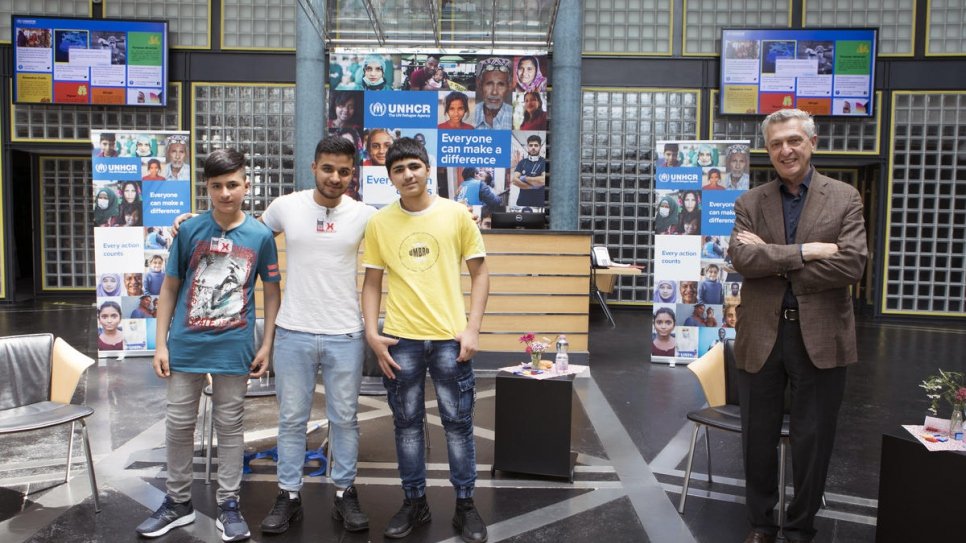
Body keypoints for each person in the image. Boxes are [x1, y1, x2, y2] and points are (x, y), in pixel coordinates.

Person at [729, 109, 867, 543]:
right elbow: (742, 260)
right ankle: (760, 523)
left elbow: (852, 264)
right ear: (767, 151)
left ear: (812, 142)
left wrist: (774, 261)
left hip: (822, 336)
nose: (785, 150)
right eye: (775, 144)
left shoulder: (845, 197)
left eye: (793, 140)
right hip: (762, 336)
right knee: (757, 437)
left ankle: (802, 524)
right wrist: (807, 250)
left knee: (815, 438)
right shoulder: (750, 202)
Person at [135, 148, 281, 541]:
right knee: (179, 425)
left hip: (234, 347)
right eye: (217, 185)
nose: (226, 192)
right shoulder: (189, 230)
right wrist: (160, 344)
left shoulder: (260, 236)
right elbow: (169, 289)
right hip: (186, 345)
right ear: (207, 188)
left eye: (233, 184)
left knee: (230, 427)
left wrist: (266, 343)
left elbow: (271, 292)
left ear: (246, 186)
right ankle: (178, 502)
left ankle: (229, 504)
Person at [361, 137, 490, 543]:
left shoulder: (455, 215)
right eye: (398, 170)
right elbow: (371, 282)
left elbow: (481, 273)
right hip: (402, 340)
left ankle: (465, 506)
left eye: (414, 166)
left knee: (458, 425)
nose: (408, 174)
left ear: (427, 168)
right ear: (391, 178)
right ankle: (414, 502)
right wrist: (372, 333)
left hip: (450, 339)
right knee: (407, 427)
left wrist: (473, 328)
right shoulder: (380, 223)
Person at [254, 136, 377, 535]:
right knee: (292, 420)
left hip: (346, 333)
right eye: (328, 168)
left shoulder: (365, 215)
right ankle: (288, 495)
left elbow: (410, 226)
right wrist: (196, 221)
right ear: (313, 167)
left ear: (352, 174)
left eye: (344, 171)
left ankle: (345, 493)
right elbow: (246, 239)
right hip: (293, 331)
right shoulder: (285, 207)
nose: (335, 177)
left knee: (345, 420)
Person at [473, 57, 513, 129]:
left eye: (501, 85)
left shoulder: (516, 115)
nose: (494, 92)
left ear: (509, 87)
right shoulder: (471, 113)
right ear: (480, 85)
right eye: (489, 84)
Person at [512, 134, 546, 207]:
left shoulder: (544, 162)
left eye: (536, 145)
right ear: (527, 147)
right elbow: (514, 180)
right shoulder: (522, 162)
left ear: (540, 147)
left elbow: (543, 180)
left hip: (539, 203)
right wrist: (532, 186)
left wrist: (524, 178)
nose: (533, 148)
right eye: (531, 145)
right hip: (522, 202)